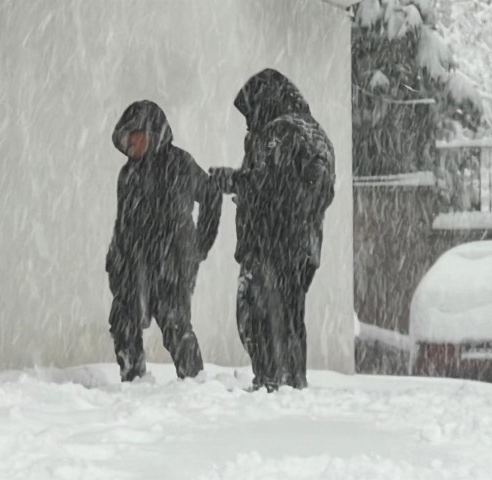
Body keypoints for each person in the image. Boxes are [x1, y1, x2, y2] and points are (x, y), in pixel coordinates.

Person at [211, 69, 335, 391]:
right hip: (303, 244)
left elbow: (265, 184)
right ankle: (291, 380)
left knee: (257, 312)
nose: (249, 123)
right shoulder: (315, 132)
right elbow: (319, 190)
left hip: (272, 241)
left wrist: (231, 180)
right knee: (290, 316)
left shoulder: (280, 131)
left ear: (265, 102)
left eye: (251, 113)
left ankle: (272, 381)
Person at [106, 100, 222, 382]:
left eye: (136, 135)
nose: (130, 142)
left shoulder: (179, 164)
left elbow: (212, 195)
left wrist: (199, 246)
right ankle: (133, 380)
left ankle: (194, 383)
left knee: (174, 323)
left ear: (153, 132)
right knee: (123, 321)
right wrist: (116, 257)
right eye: (127, 137)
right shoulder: (128, 174)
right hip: (133, 261)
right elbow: (123, 222)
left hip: (172, 260)